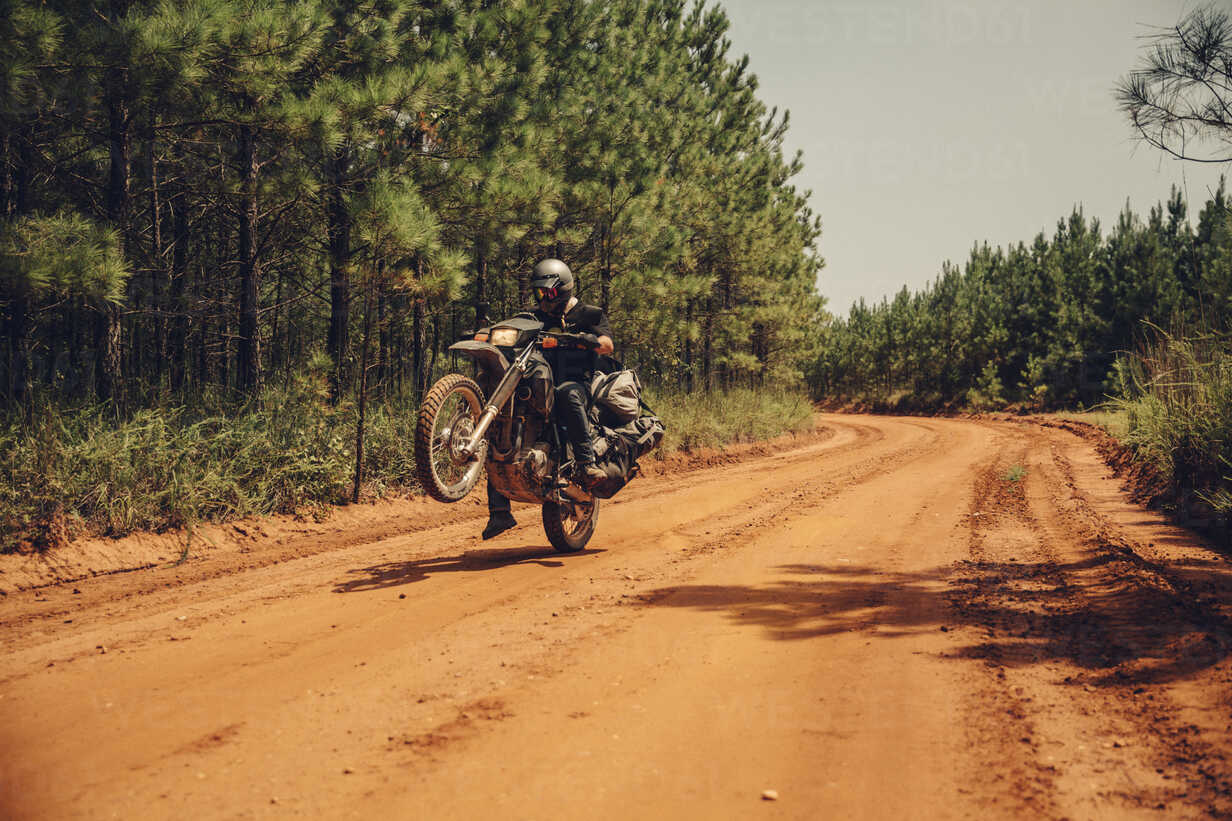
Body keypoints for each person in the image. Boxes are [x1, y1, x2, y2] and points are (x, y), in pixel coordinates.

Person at [483, 258, 615, 540]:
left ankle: (586, 462)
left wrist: (582, 340)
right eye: (539, 293)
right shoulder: (534, 317)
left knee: (567, 393)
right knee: (505, 421)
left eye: (548, 293)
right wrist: (486, 335)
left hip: (578, 382)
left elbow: (607, 344)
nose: (543, 298)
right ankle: (500, 512)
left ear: (563, 289)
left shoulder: (588, 314)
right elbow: (512, 329)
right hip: (539, 384)